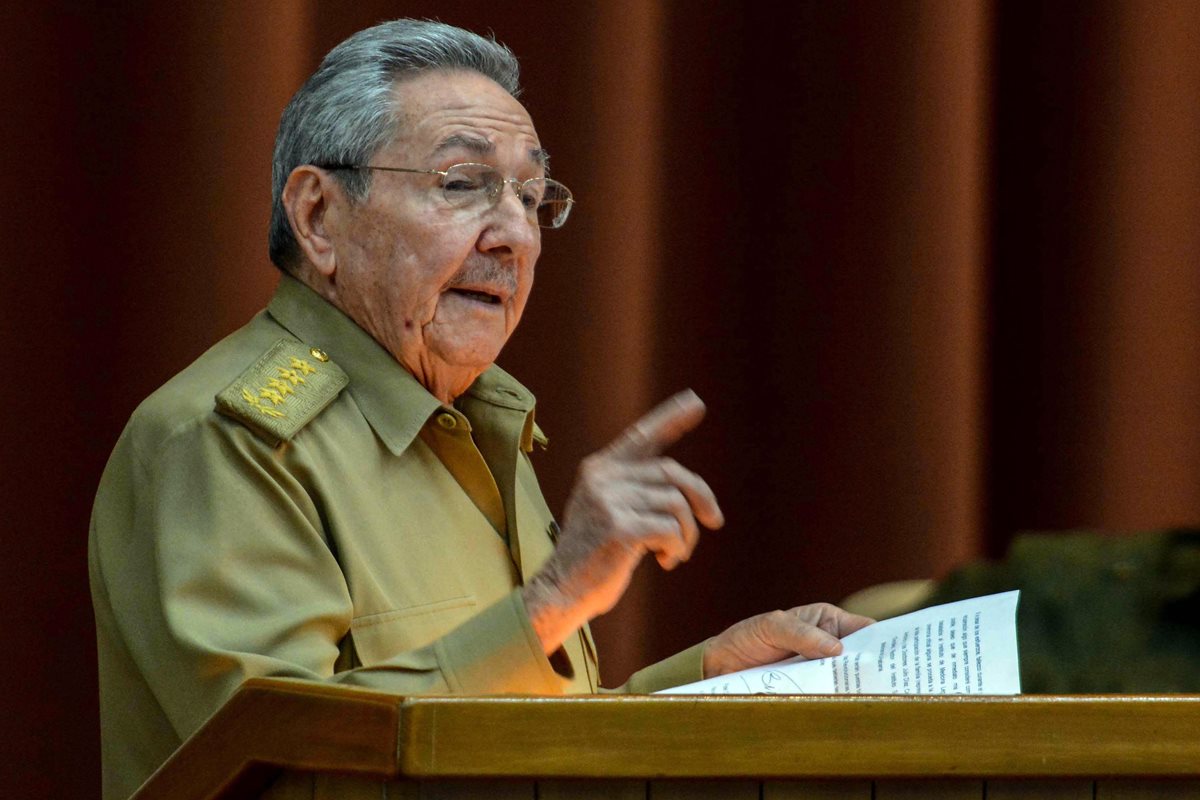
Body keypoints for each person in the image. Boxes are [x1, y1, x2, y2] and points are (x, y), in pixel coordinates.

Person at [88, 19, 873, 800]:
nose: (514, 237)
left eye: (531, 196)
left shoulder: (479, 421)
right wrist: (548, 607)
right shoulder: (225, 442)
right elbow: (281, 775)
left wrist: (704, 680)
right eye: (463, 183)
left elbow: (509, 750)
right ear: (320, 217)